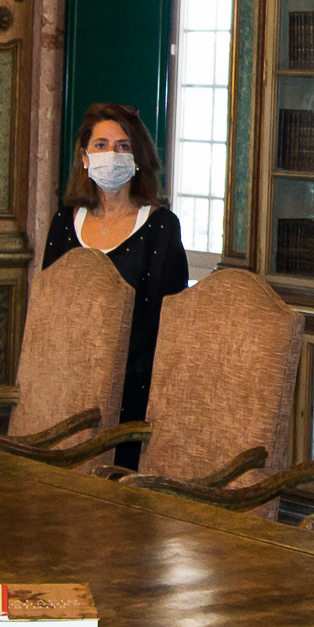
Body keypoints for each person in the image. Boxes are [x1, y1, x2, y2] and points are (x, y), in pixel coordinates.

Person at [40, 104, 187, 467]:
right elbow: (47, 309)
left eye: (123, 146)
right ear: (84, 158)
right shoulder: (63, 222)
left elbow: (159, 322)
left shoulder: (161, 226)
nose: (112, 154)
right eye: (101, 145)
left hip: (132, 394)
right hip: (65, 382)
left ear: (138, 158)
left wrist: (103, 363)